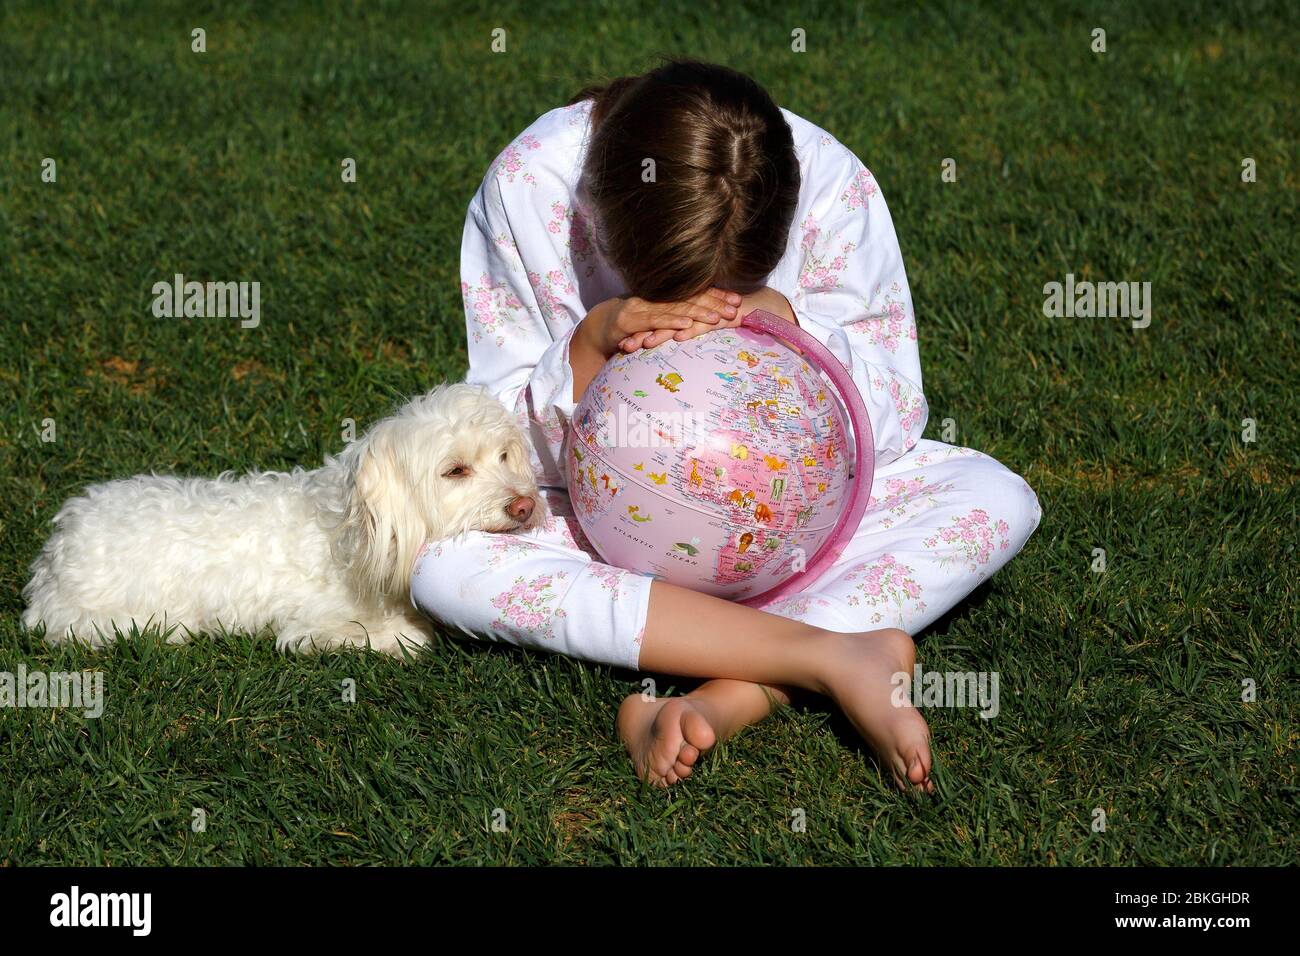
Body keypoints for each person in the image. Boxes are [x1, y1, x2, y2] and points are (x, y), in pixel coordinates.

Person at [411, 59, 1041, 793]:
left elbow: (898, 411)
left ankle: (737, 689)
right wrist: (591, 342)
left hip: (796, 523)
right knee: (442, 569)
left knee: (995, 499)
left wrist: (789, 323)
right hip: (604, 526)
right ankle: (827, 656)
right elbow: (496, 444)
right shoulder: (530, 186)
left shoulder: (831, 182)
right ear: (605, 214)